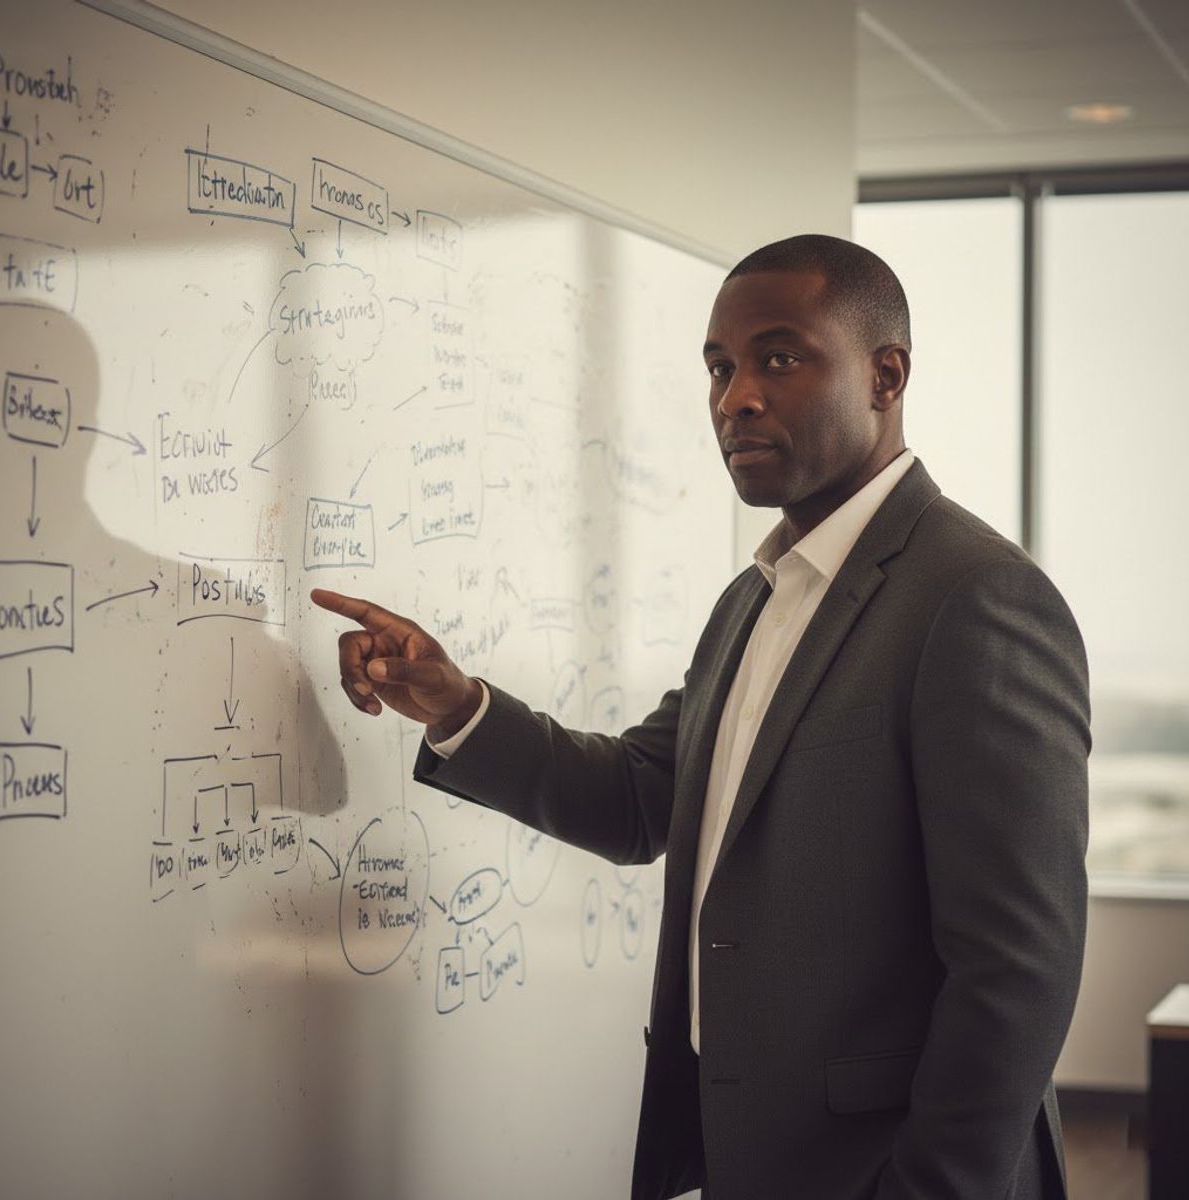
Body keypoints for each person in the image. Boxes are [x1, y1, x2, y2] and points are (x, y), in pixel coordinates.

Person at [311, 234, 1090, 1200]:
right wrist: (457, 705)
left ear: (885, 377)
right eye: (720, 368)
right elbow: (644, 797)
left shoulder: (975, 597)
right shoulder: (756, 599)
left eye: (779, 358)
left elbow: (1019, 967)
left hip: (889, 1173)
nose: (735, 399)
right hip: (749, 1155)